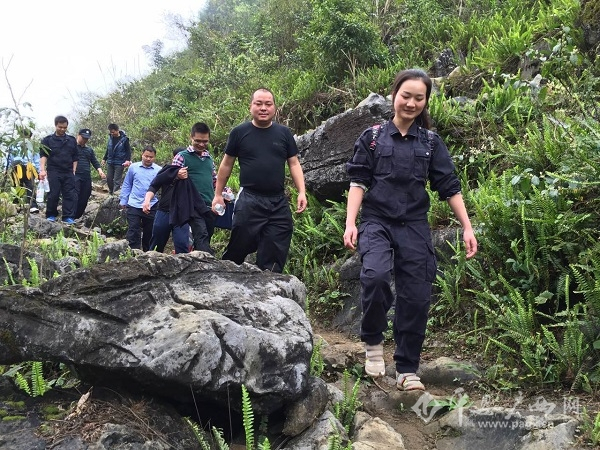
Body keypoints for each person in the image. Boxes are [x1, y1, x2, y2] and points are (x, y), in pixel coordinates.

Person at [343, 69, 478, 391]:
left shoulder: (430, 143)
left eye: (419, 98)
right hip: (377, 221)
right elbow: (358, 181)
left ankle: (406, 369)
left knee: (416, 295)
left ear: (425, 101)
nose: (411, 103)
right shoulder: (372, 137)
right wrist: (350, 223)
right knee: (375, 277)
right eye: (406, 96)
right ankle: (373, 342)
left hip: (414, 225)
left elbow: (449, 186)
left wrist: (467, 226)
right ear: (394, 96)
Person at [212, 88, 307, 273]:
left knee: (277, 242)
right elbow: (226, 165)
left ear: (274, 108)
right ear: (251, 107)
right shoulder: (239, 132)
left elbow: (294, 163)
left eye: (268, 104)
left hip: (278, 201)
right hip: (250, 199)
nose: (263, 108)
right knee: (240, 242)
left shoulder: (283, 133)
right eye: (259, 103)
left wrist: (301, 191)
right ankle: (227, 273)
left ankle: (270, 279)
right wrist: (218, 194)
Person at [171, 122, 218, 254]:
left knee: (207, 234)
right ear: (191, 137)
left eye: (205, 141)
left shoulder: (209, 158)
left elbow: (214, 180)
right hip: (192, 205)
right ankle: (207, 262)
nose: (201, 144)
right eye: (198, 141)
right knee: (201, 233)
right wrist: (177, 175)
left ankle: (197, 259)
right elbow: (169, 179)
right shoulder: (182, 157)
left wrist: (223, 192)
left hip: (208, 204)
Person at [142, 148, 191, 253]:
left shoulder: (191, 173)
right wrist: (147, 201)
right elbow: (154, 186)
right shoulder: (166, 171)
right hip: (164, 211)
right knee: (156, 243)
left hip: (181, 214)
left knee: (182, 245)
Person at [119, 145, 160, 251]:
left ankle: (148, 253)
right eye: (146, 156)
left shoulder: (158, 170)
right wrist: (124, 200)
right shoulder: (133, 167)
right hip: (134, 203)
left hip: (151, 205)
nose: (148, 159)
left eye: (151, 157)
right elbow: (127, 184)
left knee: (149, 231)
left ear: (154, 157)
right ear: (142, 155)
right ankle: (133, 252)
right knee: (133, 230)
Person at [39, 115, 78, 224]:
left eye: (65, 127)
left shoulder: (71, 140)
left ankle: (68, 216)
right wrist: (42, 170)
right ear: (55, 125)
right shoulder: (47, 140)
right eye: (60, 127)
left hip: (68, 171)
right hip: (54, 171)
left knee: (69, 194)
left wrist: (74, 170)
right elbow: (43, 156)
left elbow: (75, 157)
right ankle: (51, 214)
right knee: (53, 194)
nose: (62, 129)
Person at [6, 128, 40, 213]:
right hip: (16, 167)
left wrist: (38, 170)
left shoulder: (32, 146)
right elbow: (9, 157)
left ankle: (32, 205)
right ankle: (16, 205)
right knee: (16, 186)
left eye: (27, 136)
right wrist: (6, 169)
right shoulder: (13, 145)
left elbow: (36, 158)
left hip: (29, 167)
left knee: (30, 186)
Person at [74, 128, 106, 219]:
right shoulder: (72, 147)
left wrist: (100, 171)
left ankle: (77, 217)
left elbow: (94, 161)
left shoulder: (89, 150)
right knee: (74, 195)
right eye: (83, 138)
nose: (85, 140)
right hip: (75, 175)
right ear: (78, 135)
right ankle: (70, 216)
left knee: (85, 196)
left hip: (86, 176)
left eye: (87, 138)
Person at [102, 123, 131, 195]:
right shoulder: (110, 138)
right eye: (110, 132)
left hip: (120, 162)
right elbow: (108, 149)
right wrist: (104, 158)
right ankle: (111, 192)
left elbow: (128, 150)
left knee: (117, 180)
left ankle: (115, 195)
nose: (112, 133)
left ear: (117, 130)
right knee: (109, 179)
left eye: (113, 132)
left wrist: (127, 160)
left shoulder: (124, 139)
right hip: (110, 161)